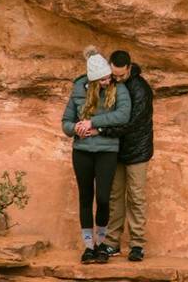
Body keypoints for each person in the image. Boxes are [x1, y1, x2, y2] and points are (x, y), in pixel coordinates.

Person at [61, 47, 131, 264]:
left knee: (102, 198)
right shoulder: (78, 89)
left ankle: (102, 244)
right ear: (93, 79)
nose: (108, 80)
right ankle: (89, 247)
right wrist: (76, 128)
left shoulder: (119, 90)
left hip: (107, 151)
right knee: (85, 198)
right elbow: (65, 122)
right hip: (82, 151)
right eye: (103, 78)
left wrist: (94, 123)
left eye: (109, 77)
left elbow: (123, 115)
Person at [98, 50, 154, 262]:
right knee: (114, 196)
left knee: (136, 197)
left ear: (129, 68)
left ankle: (137, 245)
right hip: (115, 149)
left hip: (137, 150)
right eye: (115, 74)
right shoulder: (110, 82)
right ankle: (112, 242)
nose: (118, 78)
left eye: (122, 75)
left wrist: (102, 130)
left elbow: (130, 123)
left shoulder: (141, 89)